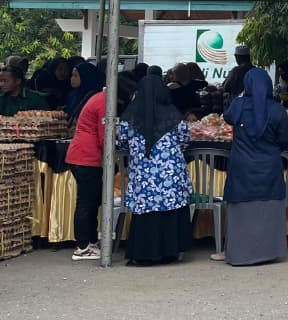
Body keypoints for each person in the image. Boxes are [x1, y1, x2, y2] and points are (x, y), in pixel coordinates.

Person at [118, 75, 192, 266]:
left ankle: (144, 255)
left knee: (146, 214)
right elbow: (185, 140)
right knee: (170, 211)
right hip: (171, 175)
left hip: (144, 177)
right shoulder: (174, 116)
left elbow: (121, 141)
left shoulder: (129, 117)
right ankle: (170, 252)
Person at [220, 68, 288, 266]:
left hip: (242, 167)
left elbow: (227, 117)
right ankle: (269, 252)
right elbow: (284, 140)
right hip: (268, 167)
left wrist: (244, 98)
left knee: (242, 210)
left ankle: (239, 253)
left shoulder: (238, 106)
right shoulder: (278, 110)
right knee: (267, 209)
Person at [65, 72, 136, 261]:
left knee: (91, 199)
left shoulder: (99, 98)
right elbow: (105, 136)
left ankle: (89, 241)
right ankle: (82, 246)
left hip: (82, 156)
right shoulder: (105, 105)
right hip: (86, 158)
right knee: (86, 203)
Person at [64, 62, 105, 126]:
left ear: (85, 76)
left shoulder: (94, 96)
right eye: (72, 75)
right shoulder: (73, 94)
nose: (72, 79)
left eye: (75, 76)